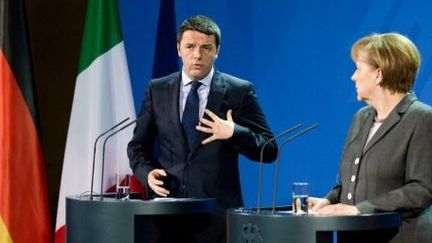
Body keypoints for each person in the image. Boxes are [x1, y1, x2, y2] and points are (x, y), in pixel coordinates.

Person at [127, 15, 277, 242]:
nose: (197, 55)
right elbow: (137, 146)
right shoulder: (157, 90)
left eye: (206, 47)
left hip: (217, 219)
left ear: (217, 50)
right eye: (190, 46)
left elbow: (269, 149)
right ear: (179, 49)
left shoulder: (239, 91)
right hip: (167, 217)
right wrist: (147, 174)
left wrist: (234, 132)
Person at [308, 33, 432, 242]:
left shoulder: (422, 118)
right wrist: (328, 201)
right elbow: (348, 181)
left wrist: (360, 210)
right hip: (357, 236)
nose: (353, 77)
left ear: (378, 74)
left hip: (400, 237)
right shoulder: (361, 118)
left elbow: (421, 190)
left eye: (358, 68)